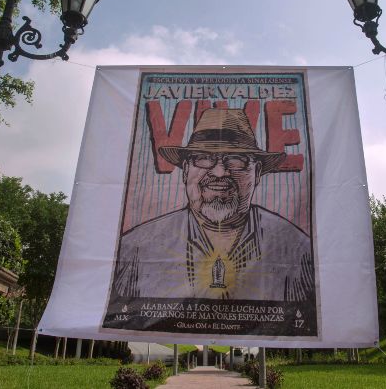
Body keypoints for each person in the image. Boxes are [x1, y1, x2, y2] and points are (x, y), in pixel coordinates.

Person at [109, 108, 315, 303]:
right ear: (185, 170)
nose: (219, 173)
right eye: (203, 158)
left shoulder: (297, 248)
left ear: (257, 172)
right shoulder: (135, 248)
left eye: (235, 160)